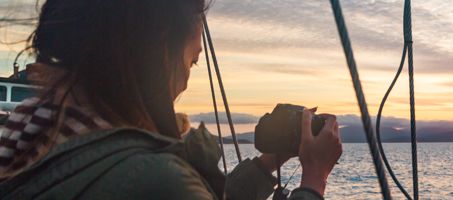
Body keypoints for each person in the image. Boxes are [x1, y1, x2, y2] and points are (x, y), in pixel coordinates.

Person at [0, 0, 343, 199]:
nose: (185, 84)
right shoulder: (155, 180)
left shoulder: (27, 134)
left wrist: (267, 163)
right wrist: (314, 179)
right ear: (160, 53)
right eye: (192, 62)